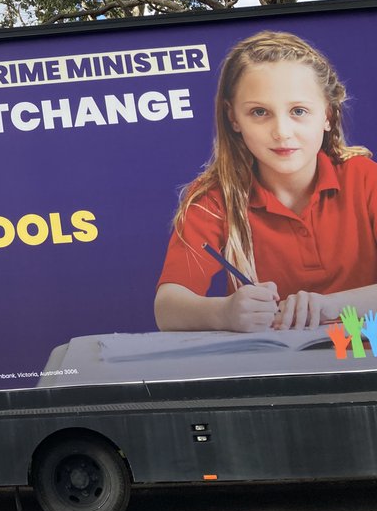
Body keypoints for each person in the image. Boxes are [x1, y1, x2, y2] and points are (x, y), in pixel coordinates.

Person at [156, 30, 377, 332]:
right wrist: (223, 312)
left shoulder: (365, 178)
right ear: (233, 118)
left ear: (327, 114)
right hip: (272, 366)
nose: (282, 131)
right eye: (259, 112)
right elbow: (167, 308)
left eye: (298, 111)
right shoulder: (214, 199)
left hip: (365, 356)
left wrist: (325, 307)